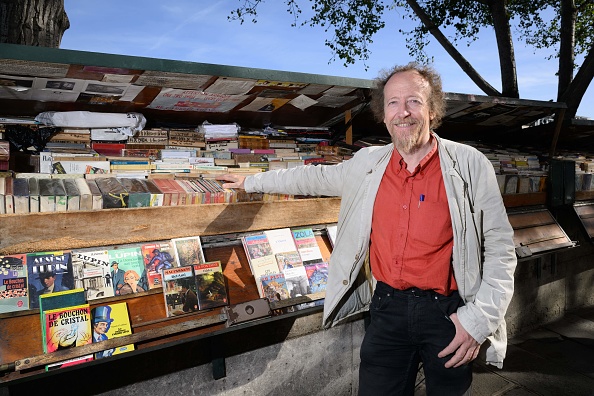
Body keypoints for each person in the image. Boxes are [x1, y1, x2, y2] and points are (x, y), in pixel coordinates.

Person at [216, 62, 517, 395]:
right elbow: (313, 177)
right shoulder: (367, 163)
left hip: (449, 312)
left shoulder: (470, 164)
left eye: (414, 101)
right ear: (383, 114)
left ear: (432, 111)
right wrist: (251, 181)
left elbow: (501, 249)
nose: (403, 112)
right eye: (393, 103)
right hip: (387, 309)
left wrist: (477, 322)